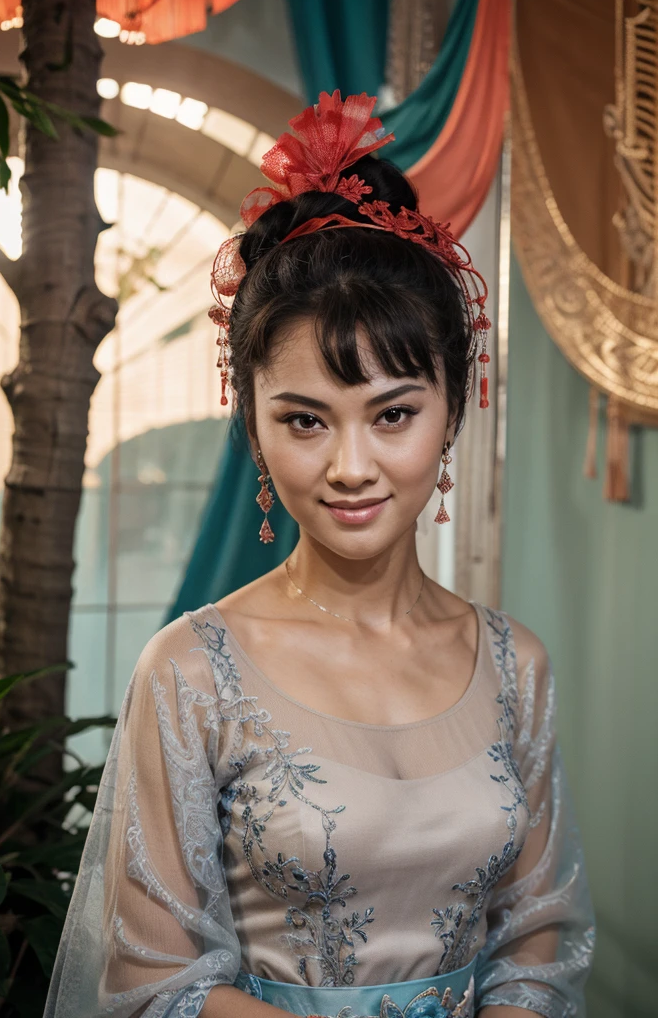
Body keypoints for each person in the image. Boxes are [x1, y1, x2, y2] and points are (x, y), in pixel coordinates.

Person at [44, 92, 595, 1018]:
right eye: (305, 420)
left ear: (452, 411)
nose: (351, 468)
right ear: (253, 428)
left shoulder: (515, 666)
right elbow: (155, 981)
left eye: (393, 414)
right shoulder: (190, 674)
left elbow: (539, 927)